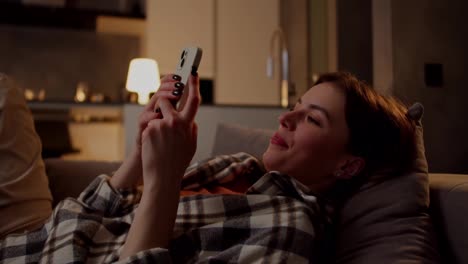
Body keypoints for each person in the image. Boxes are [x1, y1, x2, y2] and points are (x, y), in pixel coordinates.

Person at [0, 71, 417, 263]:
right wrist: (140, 154)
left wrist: (162, 181)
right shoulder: (235, 169)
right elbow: (86, 212)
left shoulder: (289, 227)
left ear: (348, 166)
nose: (284, 119)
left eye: (312, 119)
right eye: (294, 107)